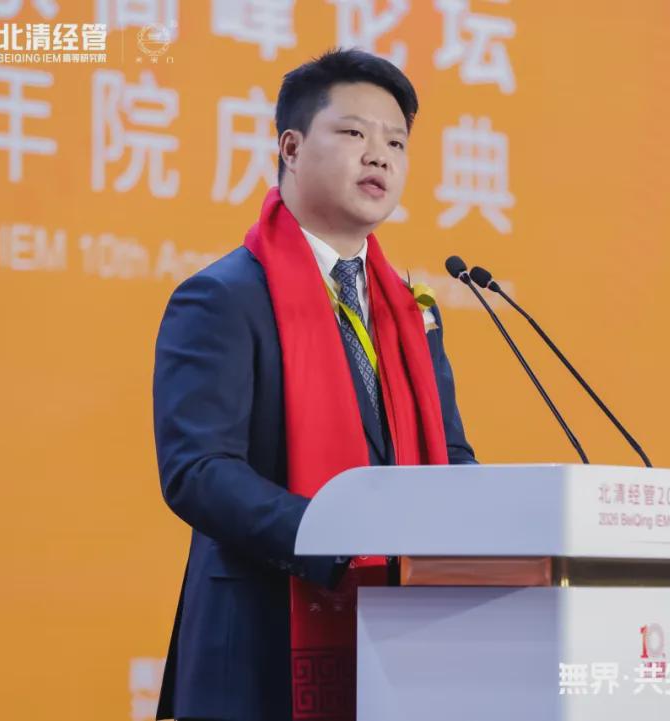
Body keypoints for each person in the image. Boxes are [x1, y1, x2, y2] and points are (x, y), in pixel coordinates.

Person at [151, 48, 476, 721]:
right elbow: (198, 471)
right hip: (259, 644)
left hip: (399, 635)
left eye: (396, 143)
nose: (379, 156)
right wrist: (336, 535)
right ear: (291, 148)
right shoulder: (222, 297)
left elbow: (451, 456)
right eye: (354, 133)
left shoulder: (411, 312)